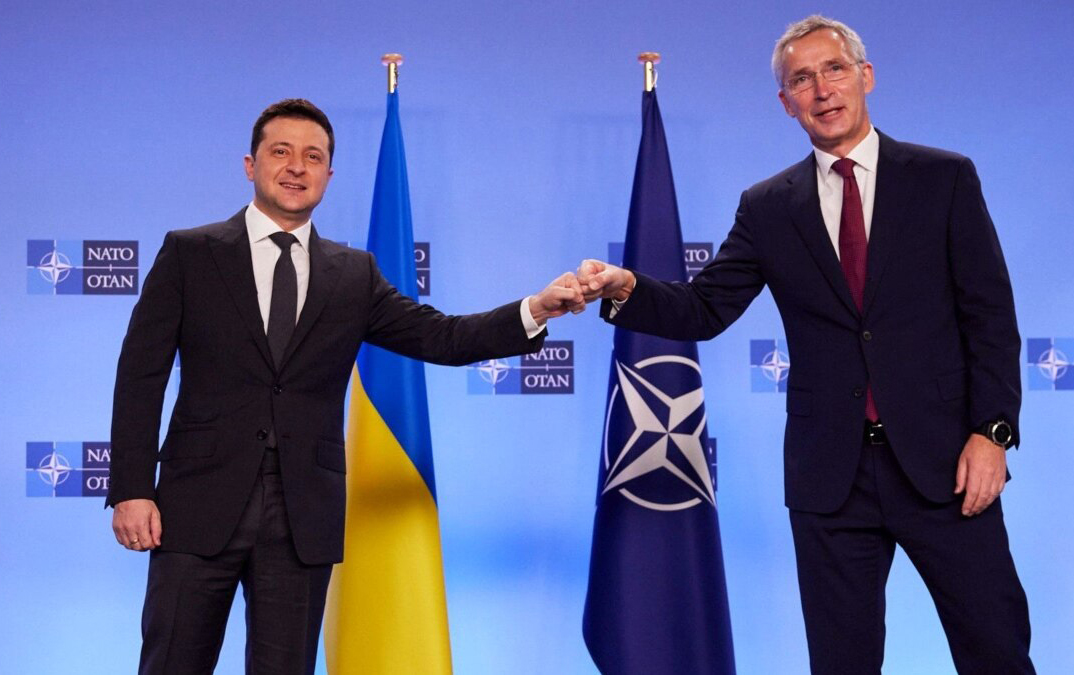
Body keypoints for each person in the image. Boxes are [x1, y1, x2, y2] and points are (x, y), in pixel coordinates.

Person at [577, 15, 1033, 674]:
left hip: (947, 468)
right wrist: (628, 288)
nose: (822, 90)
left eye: (834, 69)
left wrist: (992, 433)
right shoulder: (768, 206)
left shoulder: (944, 178)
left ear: (865, 76)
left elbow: (990, 316)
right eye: (801, 79)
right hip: (831, 479)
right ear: (785, 102)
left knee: (997, 654)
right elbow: (705, 308)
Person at [107, 98, 584, 675]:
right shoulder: (190, 252)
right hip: (195, 504)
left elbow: (442, 337)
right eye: (281, 152)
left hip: (302, 515)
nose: (296, 167)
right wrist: (132, 489)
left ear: (329, 175)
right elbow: (140, 376)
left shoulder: (354, 274)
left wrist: (535, 309)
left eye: (313, 157)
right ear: (251, 164)